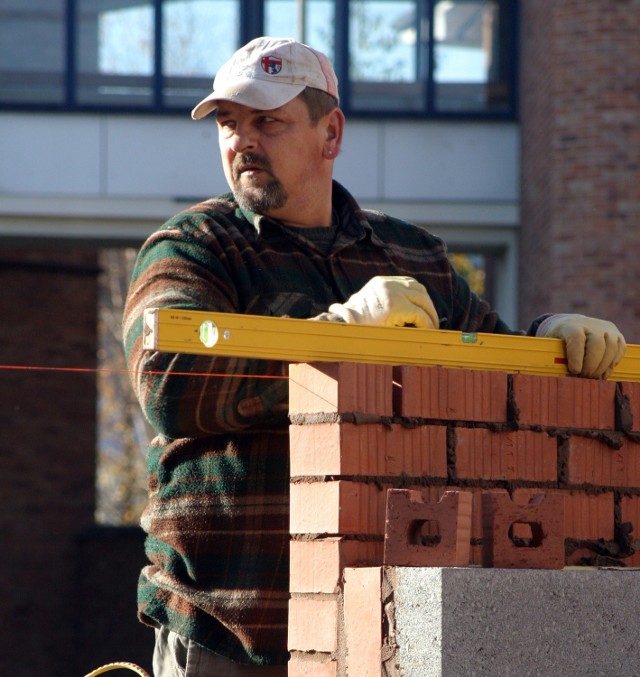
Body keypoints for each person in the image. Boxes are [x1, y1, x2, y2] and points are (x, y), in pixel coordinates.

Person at [123, 36, 626, 676]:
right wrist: (337, 335)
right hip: (228, 624)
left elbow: (496, 374)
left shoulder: (412, 256)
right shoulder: (194, 247)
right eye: (229, 123)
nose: (241, 142)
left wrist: (555, 340)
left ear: (329, 133)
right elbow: (170, 385)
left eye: (267, 121)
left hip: (377, 626)